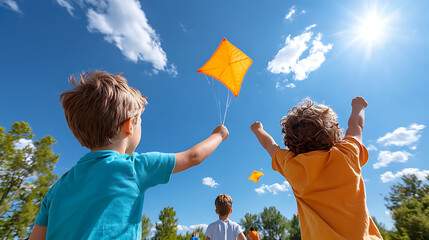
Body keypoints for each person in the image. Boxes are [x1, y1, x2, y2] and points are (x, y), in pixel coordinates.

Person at [28, 71, 229, 240]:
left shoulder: (57, 189)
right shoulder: (133, 167)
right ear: (129, 125)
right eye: (140, 121)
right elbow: (193, 157)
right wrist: (218, 135)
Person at [250, 97, 382, 239]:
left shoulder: (292, 165)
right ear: (334, 133)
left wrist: (258, 130)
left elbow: (270, 145)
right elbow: (356, 125)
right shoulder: (347, 153)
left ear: (289, 144)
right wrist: (358, 106)